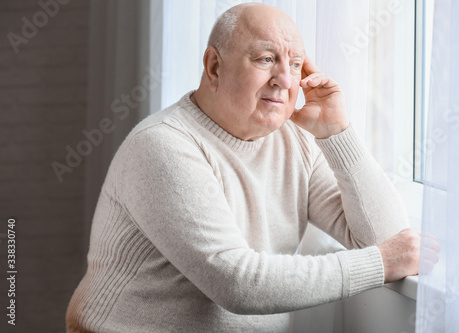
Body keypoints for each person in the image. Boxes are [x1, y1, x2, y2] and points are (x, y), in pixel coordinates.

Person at [66, 3, 439, 332]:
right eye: (265, 59)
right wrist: (379, 263)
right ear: (214, 66)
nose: (285, 79)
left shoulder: (295, 141)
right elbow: (237, 283)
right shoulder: (162, 145)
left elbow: (386, 238)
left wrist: (336, 133)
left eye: (295, 64)